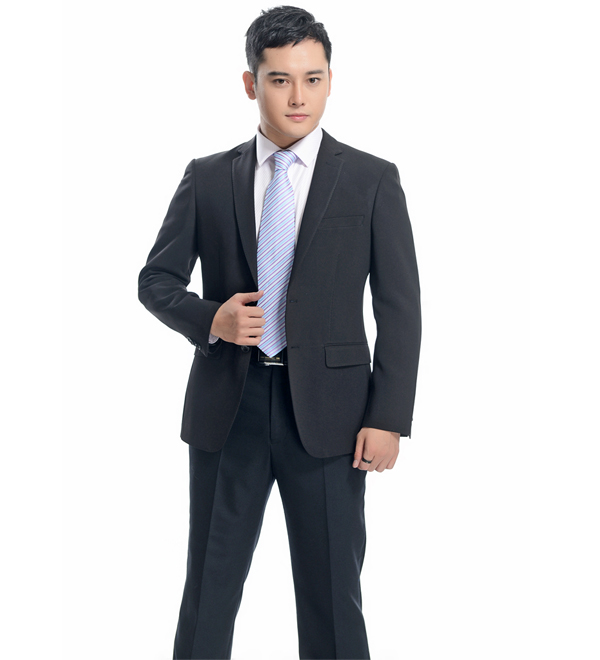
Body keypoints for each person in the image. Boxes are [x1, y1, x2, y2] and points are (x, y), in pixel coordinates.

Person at [138, 6, 421, 659]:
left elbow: (400, 308)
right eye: (280, 79)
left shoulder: (371, 179)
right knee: (209, 590)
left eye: (312, 79)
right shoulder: (209, 176)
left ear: (330, 81)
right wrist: (211, 318)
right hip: (228, 410)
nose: (298, 96)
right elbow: (156, 279)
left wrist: (388, 417)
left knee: (332, 595)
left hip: (332, 417)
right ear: (250, 83)